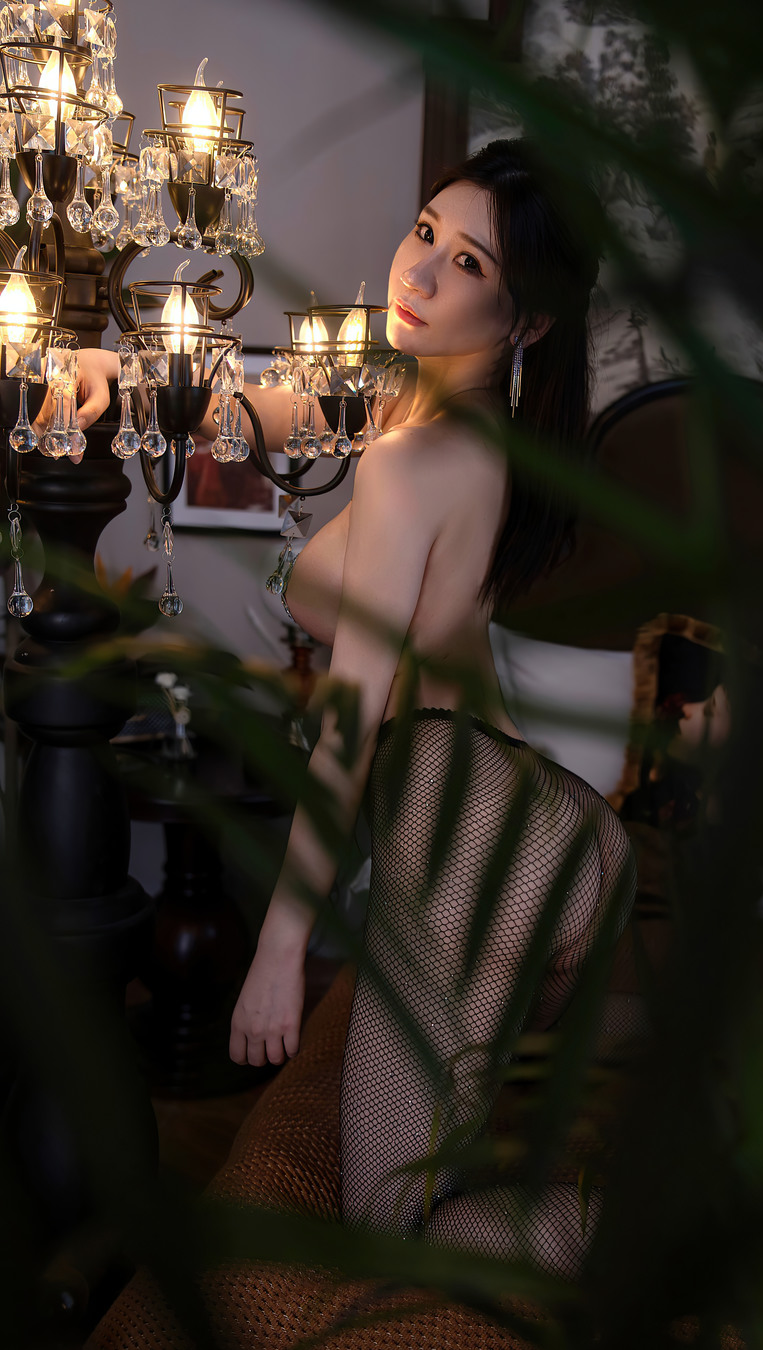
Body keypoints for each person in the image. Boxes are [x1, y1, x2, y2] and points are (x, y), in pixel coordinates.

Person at [69, 140, 637, 1276]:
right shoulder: (435, 426)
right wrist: (116, 374)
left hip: (474, 831)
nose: (416, 272)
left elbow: (351, 716)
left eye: (469, 263)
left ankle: (723, 1235)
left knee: (395, 1221)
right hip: (538, 829)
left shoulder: (414, 462)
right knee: (446, 1137)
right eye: (426, 231)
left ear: (527, 322)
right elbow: (262, 410)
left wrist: (280, 950)